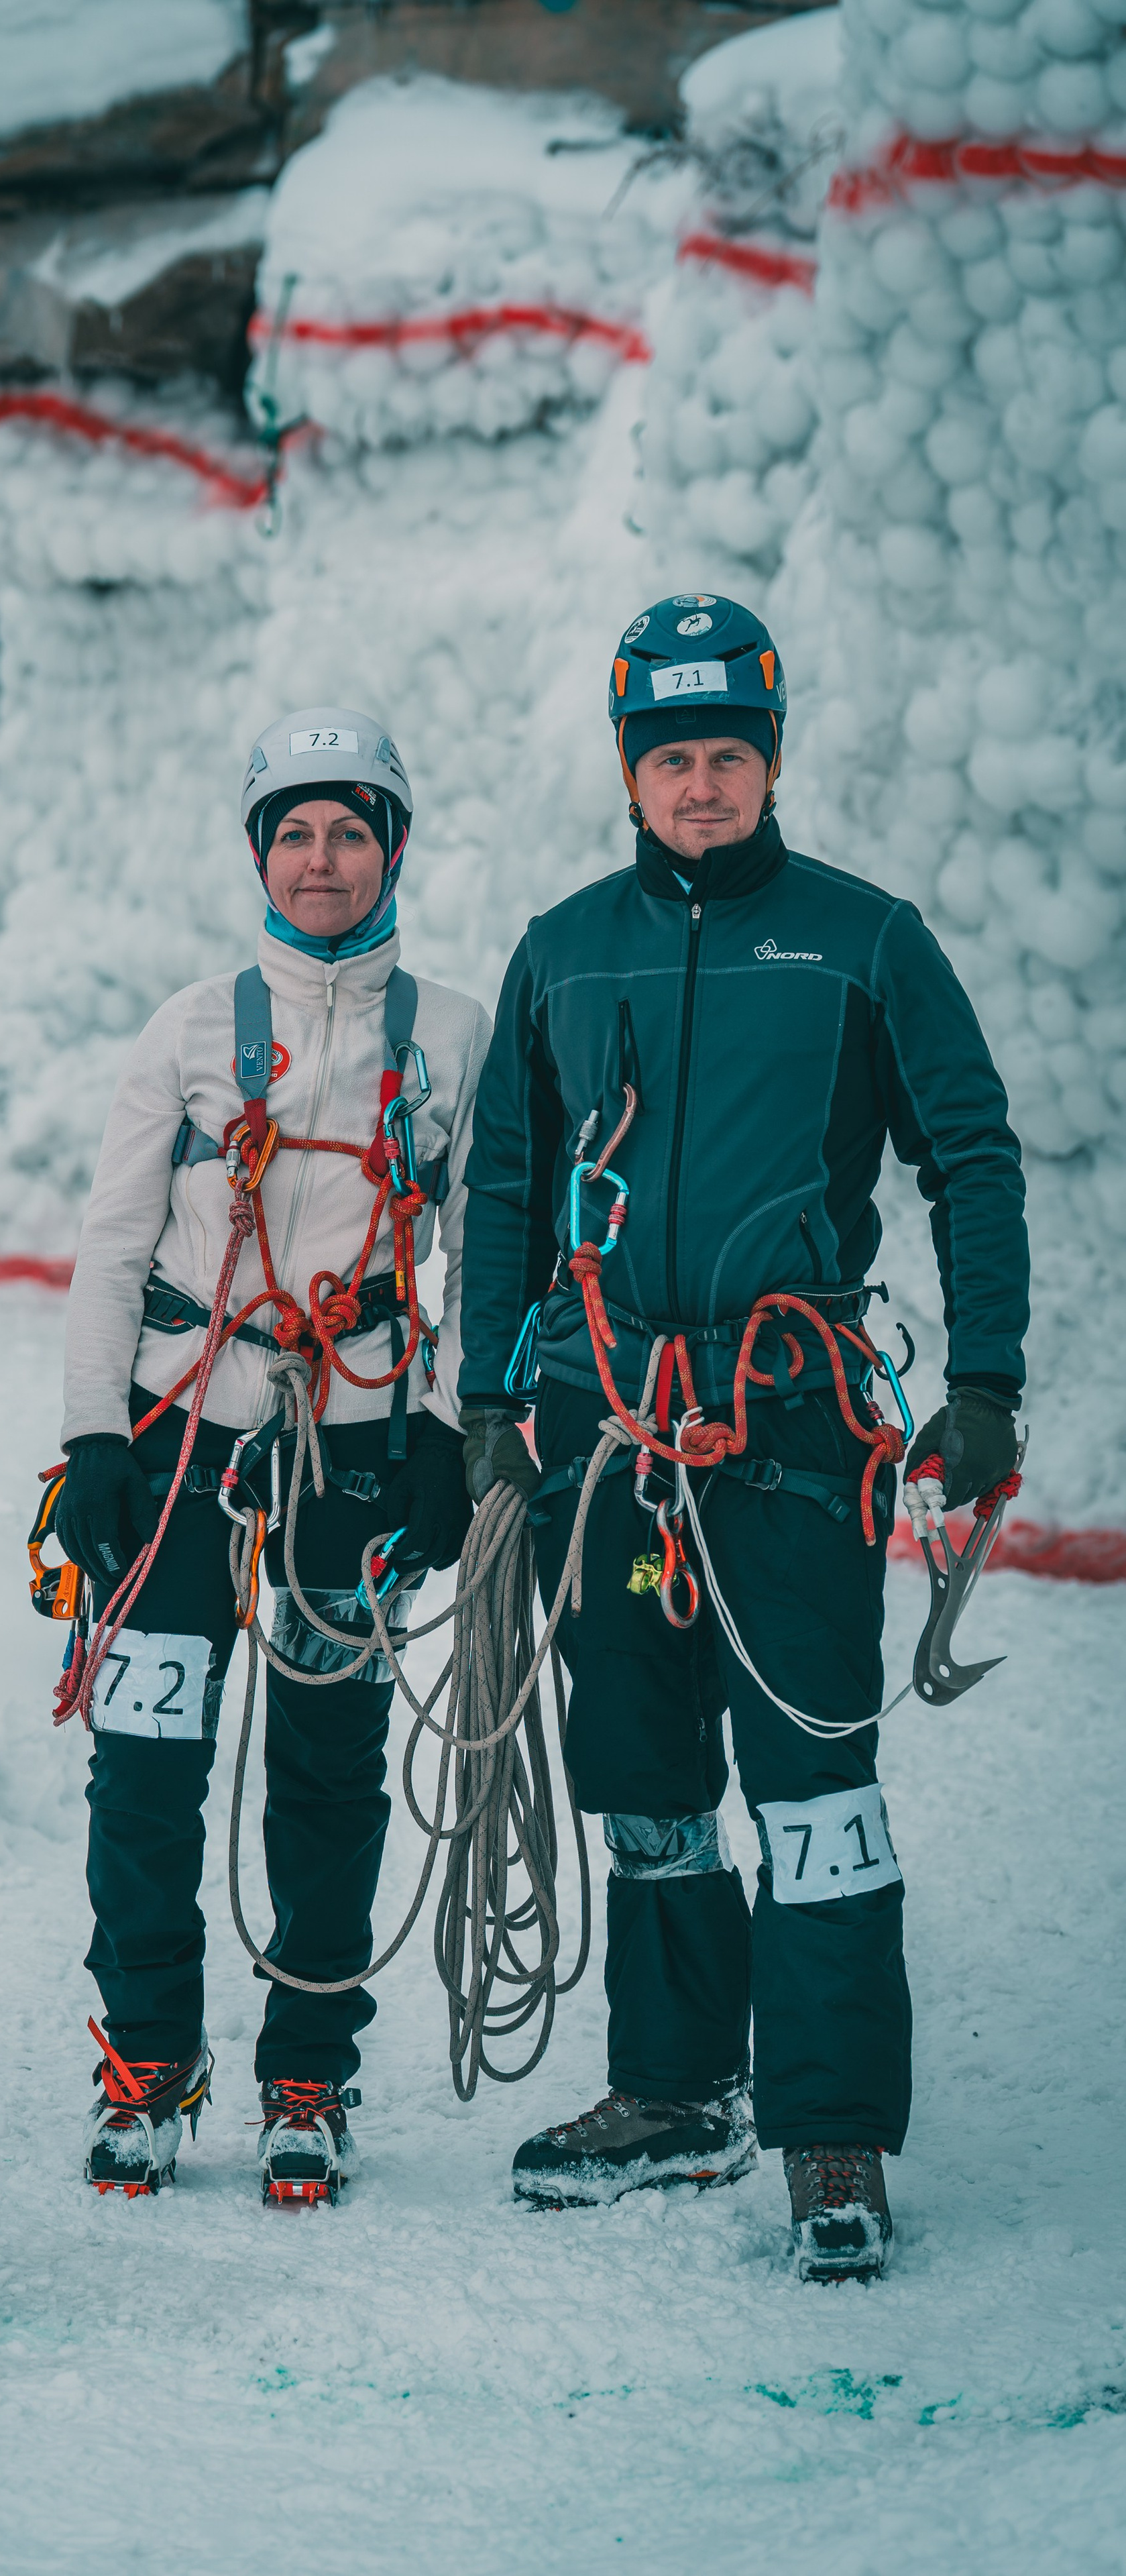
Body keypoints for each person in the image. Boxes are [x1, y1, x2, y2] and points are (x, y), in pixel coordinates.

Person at [457, 595, 1029, 2282]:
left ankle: (828, 2126)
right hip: (604, 1426)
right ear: (626, 771)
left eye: (723, 753)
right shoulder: (560, 948)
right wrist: (491, 1399)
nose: (696, 784)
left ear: (768, 755)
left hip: (790, 1418)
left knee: (812, 1784)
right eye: (666, 758)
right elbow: (503, 1182)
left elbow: (969, 1152)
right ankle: (671, 2086)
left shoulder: (862, 937)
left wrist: (982, 1378)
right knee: (639, 1774)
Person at [54, 708, 490, 2202]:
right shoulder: (185, 1027)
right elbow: (111, 1246)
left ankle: (308, 2069)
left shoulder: (453, 1033)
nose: (321, 859)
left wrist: (443, 1428)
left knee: (326, 1762)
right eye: (294, 831)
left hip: (354, 1439)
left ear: (392, 848)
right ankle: (146, 2056)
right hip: (181, 1429)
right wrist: (90, 1440)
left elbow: (484, 1261)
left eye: (350, 829)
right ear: (258, 851)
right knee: (146, 1759)